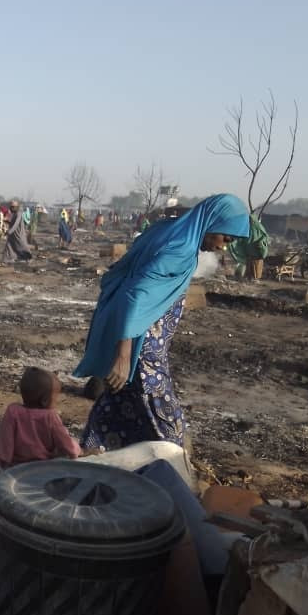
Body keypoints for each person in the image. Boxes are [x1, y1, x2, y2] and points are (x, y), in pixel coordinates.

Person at [75, 194, 251, 453]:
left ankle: (95, 454)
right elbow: (136, 292)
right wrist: (124, 353)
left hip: (131, 331)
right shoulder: (180, 248)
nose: (222, 247)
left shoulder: (167, 229)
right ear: (213, 222)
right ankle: (173, 469)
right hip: (143, 346)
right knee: (166, 420)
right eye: (225, 238)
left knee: (118, 403)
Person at [0, 367, 82, 467]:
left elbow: (3, 441)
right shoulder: (50, 417)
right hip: (41, 468)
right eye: (55, 398)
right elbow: (66, 444)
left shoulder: (13, 411)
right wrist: (79, 451)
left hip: (15, 467)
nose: (56, 401)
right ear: (45, 401)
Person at [228, 214, 269, 281]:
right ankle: (249, 278)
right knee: (250, 269)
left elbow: (263, 238)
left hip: (255, 254)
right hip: (252, 254)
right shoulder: (250, 228)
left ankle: (253, 279)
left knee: (254, 270)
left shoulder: (255, 228)